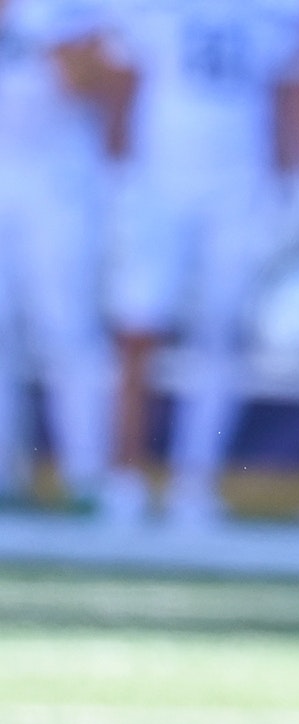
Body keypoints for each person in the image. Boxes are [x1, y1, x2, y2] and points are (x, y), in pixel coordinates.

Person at [99, 0, 299, 528]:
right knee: (138, 330)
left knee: (219, 337)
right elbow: (124, 84)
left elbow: (290, 93)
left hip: (238, 187)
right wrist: (117, 174)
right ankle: (124, 478)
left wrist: (295, 182)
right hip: (159, 184)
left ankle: (194, 480)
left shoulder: (271, 14)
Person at [0, 0, 118, 511]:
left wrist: (36, 26)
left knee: (67, 331)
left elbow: (86, 83)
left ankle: (86, 476)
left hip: (59, 183)